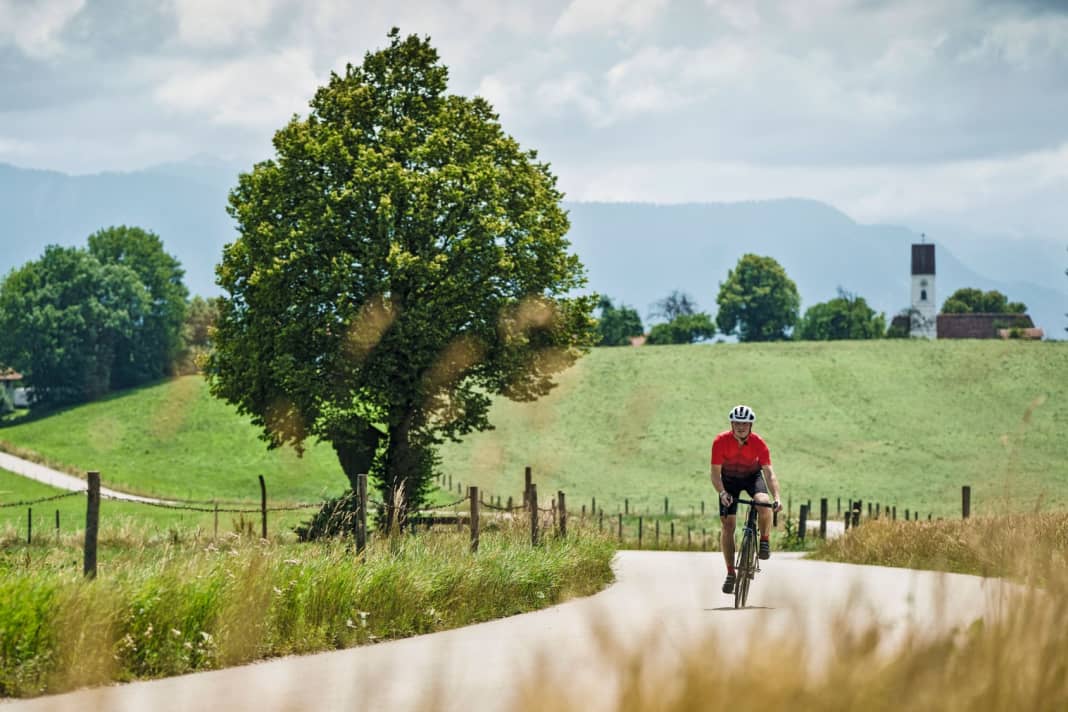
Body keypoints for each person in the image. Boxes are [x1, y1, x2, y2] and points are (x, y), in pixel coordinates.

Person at [710, 404, 783, 595]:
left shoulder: (759, 443)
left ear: (751, 425)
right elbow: (715, 474)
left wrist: (777, 497)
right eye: (736, 423)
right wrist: (722, 492)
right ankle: (730, 573)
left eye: (744, 423)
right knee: (728, 526)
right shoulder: (720, 441)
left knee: (763, 502)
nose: (740, 426)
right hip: (729, 481)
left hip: (752, 477)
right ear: (731, 424)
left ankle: (764, 539)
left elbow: (769, 473)